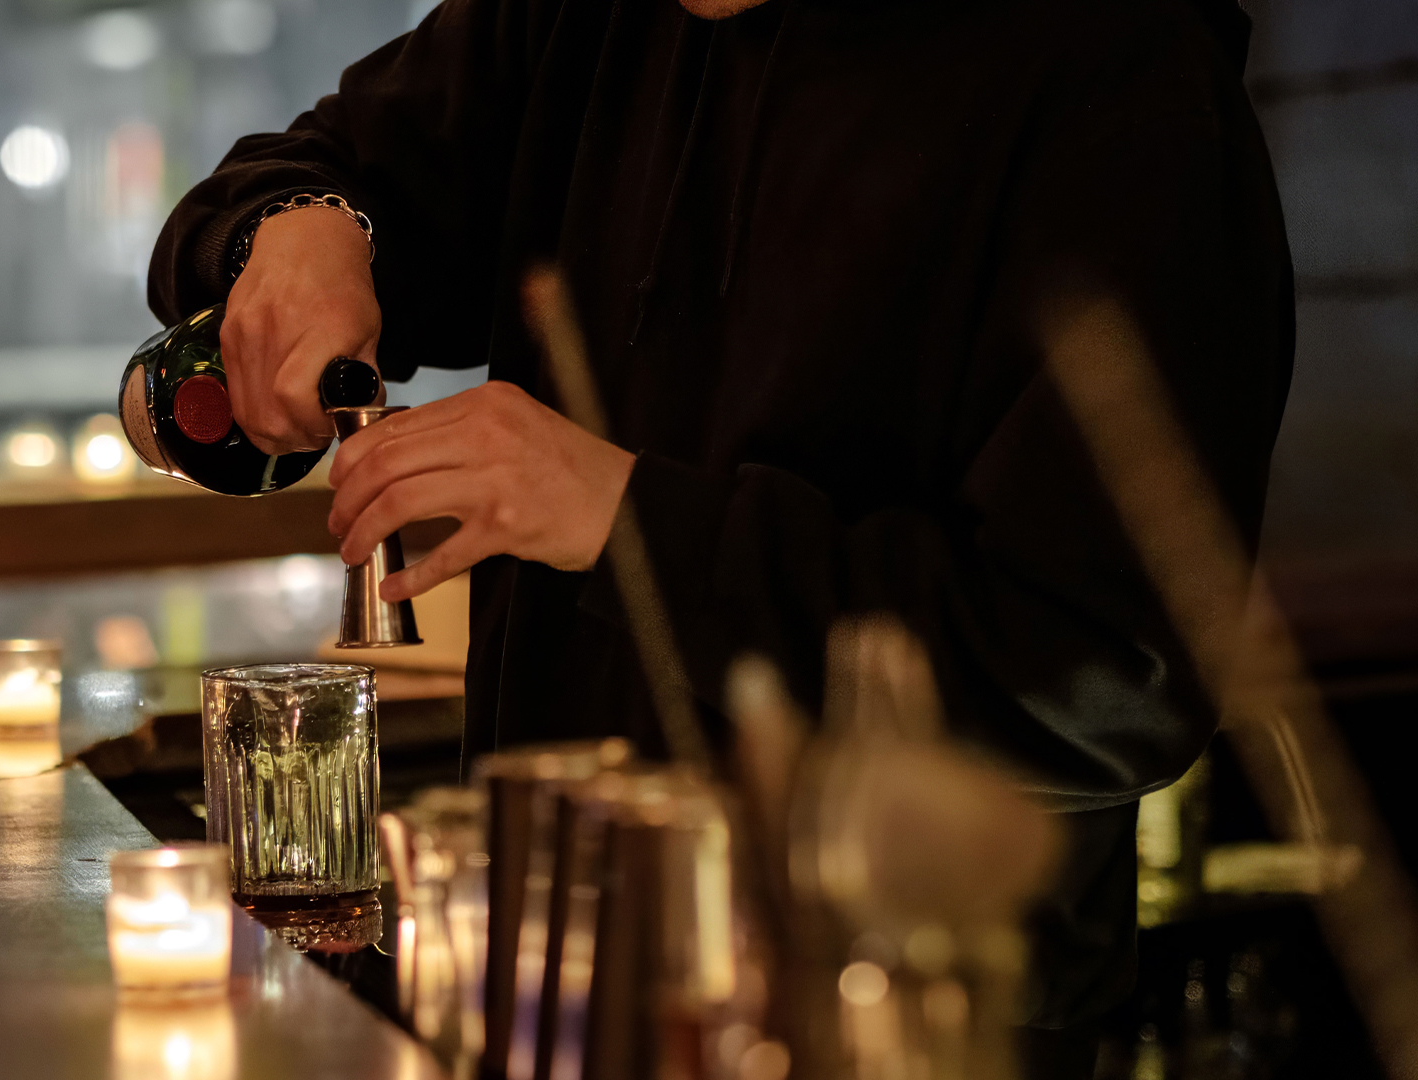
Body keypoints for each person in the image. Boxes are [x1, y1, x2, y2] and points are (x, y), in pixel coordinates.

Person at [148, 0, 1293, 1073]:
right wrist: (297, 226)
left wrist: (625, 519)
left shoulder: (1121, 67)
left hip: (905, 1017)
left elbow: (1109, 677)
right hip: (553, 981)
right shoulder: (580, 26)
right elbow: (307, 177)